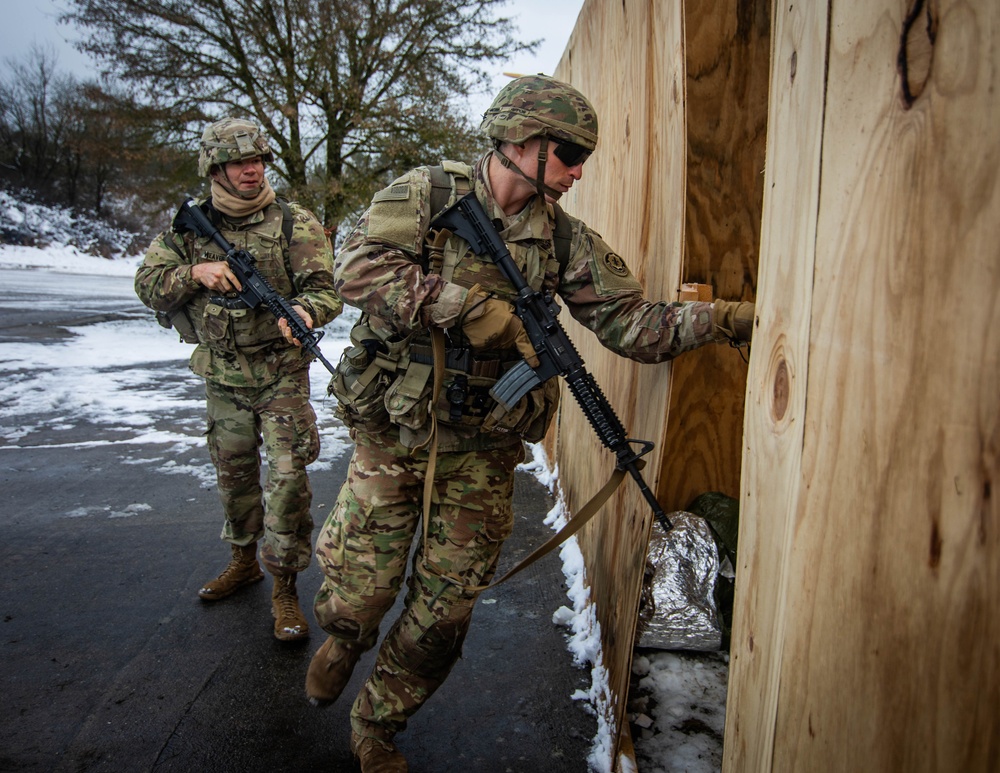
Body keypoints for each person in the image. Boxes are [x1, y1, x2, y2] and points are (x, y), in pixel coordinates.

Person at [306, 75, 754, 771]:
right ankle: (345, 637)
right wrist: (460, 305)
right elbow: (354, 267)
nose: (578, 171)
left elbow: (633, 324)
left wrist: (723, 320)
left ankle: (377, 724)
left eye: (585, 158)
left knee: (446, 615)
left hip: (483, 443)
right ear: (518, 138)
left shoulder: (563, 238)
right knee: (360, 591)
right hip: (396, 428)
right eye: (569, 153)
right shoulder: (428, 195)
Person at [135, 118, 341, 641]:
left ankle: (285, 586)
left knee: (290, 481)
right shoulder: (189, 228)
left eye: (257, 160)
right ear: (215, 168)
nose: (251, 170)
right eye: (237, 162)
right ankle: (243, 561)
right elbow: (148, 284)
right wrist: (194, 273)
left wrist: (304, 312)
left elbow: (327, 289)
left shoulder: (295, 223)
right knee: (235, 478)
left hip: (281, 377)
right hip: (223, 377)